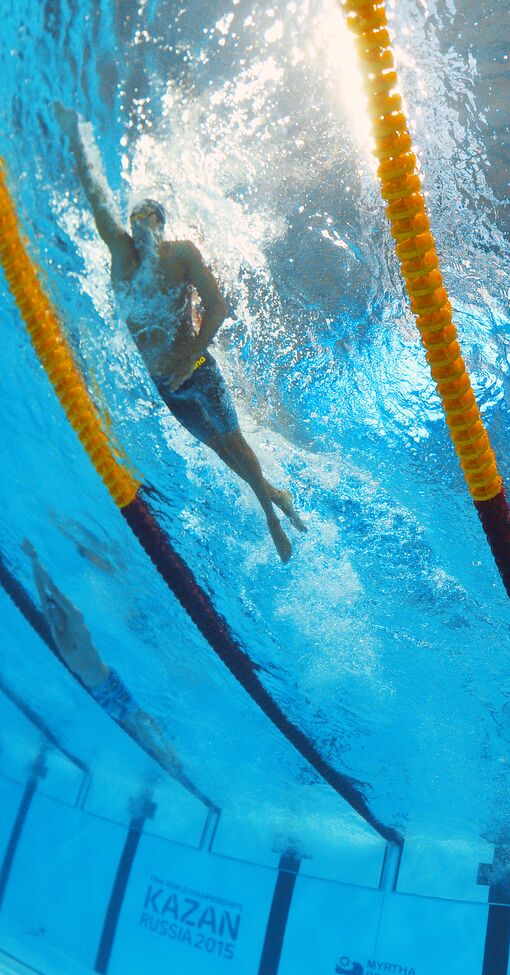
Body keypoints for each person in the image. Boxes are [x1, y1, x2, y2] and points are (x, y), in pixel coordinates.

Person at [53, 104, 306, 560]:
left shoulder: (180, 255)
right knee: (224, 454)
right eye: (134, 218)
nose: (139, 224)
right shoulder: (121, 256)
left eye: (148, 217)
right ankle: (276, 496)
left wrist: (185, 354)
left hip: (197, 370)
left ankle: (272, 516)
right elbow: (96, 198)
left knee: (237, 444)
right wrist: (76, 137)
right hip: (166, 387)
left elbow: (219, 307)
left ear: (161, 224)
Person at [23, 541, 183, 775]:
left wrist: (36, 557)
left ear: (61, 609)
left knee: (140, 715)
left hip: (109, 681)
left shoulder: (75, 622)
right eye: (51, 613)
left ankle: (171, 752)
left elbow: (52, 591)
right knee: (131, 726)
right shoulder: (57, 634)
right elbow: (42, 596)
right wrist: (32, 560)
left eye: (56, 611)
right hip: (98, 692)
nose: (53, 616)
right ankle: (162, 757)